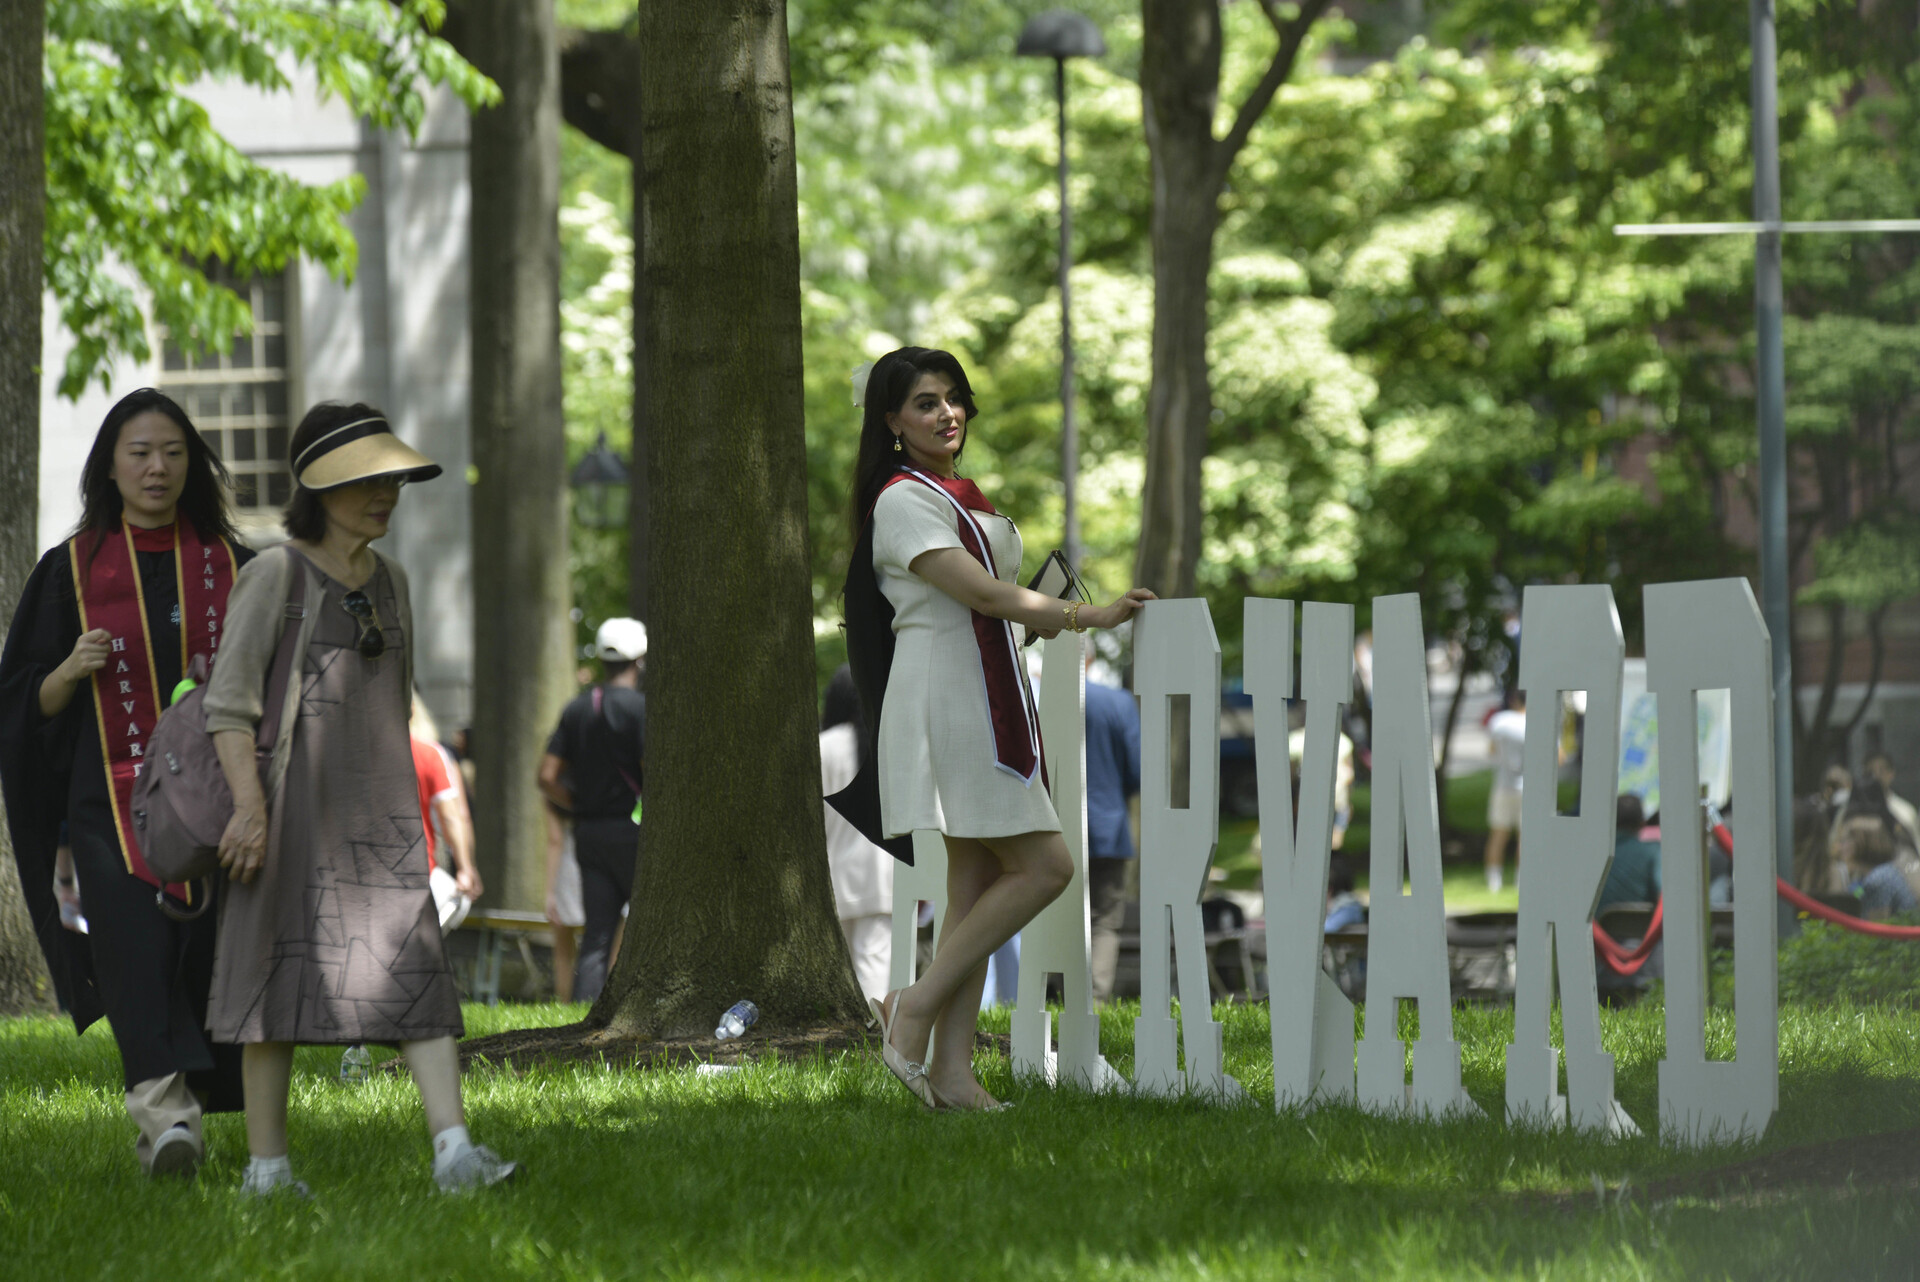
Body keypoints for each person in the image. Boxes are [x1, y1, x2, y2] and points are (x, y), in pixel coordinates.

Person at [203, 401, 516, 1196]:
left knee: (419, 979)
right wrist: (249, 810)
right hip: (286, 816)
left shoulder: (394, 583)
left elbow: (397, 708)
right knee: (273, 983)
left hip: (382, 826)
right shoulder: (274, 574)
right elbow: (228, 707)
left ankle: (455, 1155)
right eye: (366, 480)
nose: (386, 494)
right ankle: (267, 1173)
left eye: (393, 481)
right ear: (319, 485)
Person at [841, 346, 1154, 1110]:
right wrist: (1087, 614)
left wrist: (1033, 620)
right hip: (952, 699)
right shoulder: (902, 499)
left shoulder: (956, 494)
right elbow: (982, 594)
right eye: (925, 403)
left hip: (985, 686)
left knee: (975, 887)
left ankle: (952, 1073)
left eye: (953, 397)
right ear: (892, 420)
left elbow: (988, 606)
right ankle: (911, 1007)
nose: (947, 413)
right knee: (1047, 867)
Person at [0, 389, 250, 1179]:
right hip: (108, 807)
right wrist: (70, 671)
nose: (157, 468)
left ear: (192, 465)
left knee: (201, 950)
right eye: (139, 453)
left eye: (173, 453)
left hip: (215, 801)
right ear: (109, 465)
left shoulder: (232, 564)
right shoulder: (67, 572)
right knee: (133, 951)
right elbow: (21, 704)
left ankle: (186, 1113)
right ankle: (166, 1122)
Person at [538, 616, 647, 1004]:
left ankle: (585, 1013)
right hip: (634, 833)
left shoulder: (577, 708)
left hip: (589, 834)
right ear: (639, 660)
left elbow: (547, 775)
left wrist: (579, 804)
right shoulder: (641, 709)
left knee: (597, 936)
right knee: (646, 928)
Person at [819, 666, 894, 1001]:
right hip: (881, 876)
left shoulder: (824, 747)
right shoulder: (886, 745)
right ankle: (875, 1030)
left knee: (839, 972)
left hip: (835, 875)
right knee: (873, 969)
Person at [1084, 648, 1141, 1004]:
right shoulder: (1117, 703)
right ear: (1089, 659)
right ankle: (1095, 999)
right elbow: (1137, 768)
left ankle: (1055, 996)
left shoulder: (1040, 700)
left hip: (1051, 825)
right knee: (1104, 918)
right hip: (1108, 823)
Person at [411, 694, 482, 933]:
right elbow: (455, 816)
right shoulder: (430, 754)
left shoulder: (358, 754)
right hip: (418, 870)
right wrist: (466, 868)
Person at [1484, 688, 1527, 892]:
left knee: (1498, 834)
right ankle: (1521, 880)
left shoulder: (1499, 721)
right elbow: (1560, 756)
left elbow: (1492, 750)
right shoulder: (1537, 723)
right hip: (1527, 787)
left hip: (1502, 785)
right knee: (1524, 836)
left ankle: (1494, 881)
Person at [1598, 794, 1662, 912]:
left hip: (1592, 923)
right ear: (1642, 823)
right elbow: (1663, 896)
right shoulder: (1653, 852)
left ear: (1609, 822)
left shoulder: (1595, 854)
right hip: (1641, 924)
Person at [1862, 752, 1920, 852]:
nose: (1876, 776)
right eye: (1870, 772)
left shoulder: (1905, 810)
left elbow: (1915, 845)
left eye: (1881, 770)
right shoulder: (1856, 808)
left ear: (1891, 773)